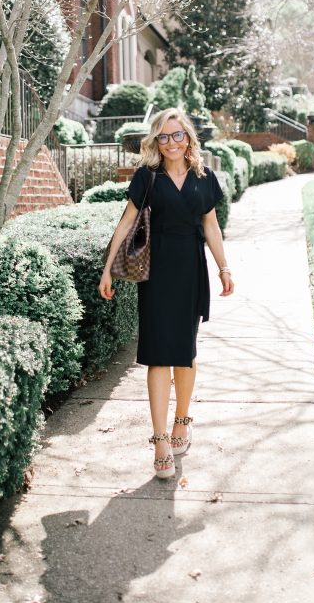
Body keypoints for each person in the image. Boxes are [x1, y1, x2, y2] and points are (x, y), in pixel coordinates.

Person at [98, 107, 234, 479]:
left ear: (188, 137)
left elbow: (211, 226)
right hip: (156, 273)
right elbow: (126, 221)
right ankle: (159, 441)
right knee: (159, 355)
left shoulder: (205, 178)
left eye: (177, 135)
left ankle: (181, 422)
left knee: (185, 353)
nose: (171, 142)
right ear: (155, 141)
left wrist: (223, 267)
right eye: (163, 136)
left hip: (191, 269)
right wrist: (108, 267)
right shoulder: (147, 178)